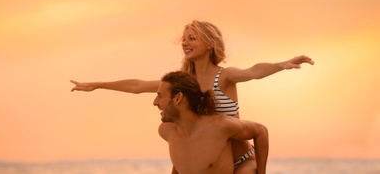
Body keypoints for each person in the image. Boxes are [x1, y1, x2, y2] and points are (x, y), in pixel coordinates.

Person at [71, 20, 314, 173]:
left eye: (192, 38)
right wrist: (98, 85)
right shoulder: (184, 84)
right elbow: (138, 85)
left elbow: (253, 71)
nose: (185, 43)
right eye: (184, 39)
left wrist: (282, 64)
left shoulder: (225, 76)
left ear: (209, 44)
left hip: (240, 161)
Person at [154, 71, 268, 174]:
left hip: (242, 162)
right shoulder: (166, 131)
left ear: (178, 98)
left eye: (160, 96)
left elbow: (260, 131)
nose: (155, 102)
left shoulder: (219, 126)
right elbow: (184, 160)